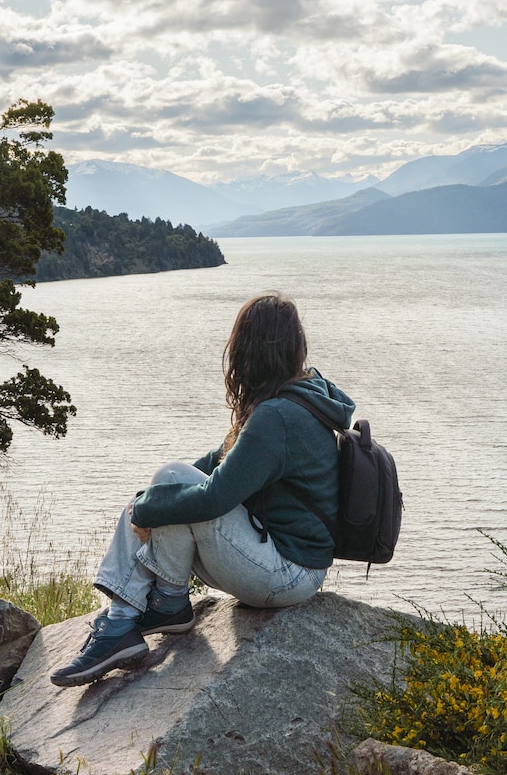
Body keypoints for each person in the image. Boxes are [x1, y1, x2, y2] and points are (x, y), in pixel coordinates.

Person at [50, 292, 346, 687]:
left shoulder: (278, 416)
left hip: (288, 575)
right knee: (169, 482)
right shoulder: (297, 398)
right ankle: (167, 605)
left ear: (249, 350)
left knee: (172, 491)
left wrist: (145, 510)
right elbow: (216, 462)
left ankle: (123, 621)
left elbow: (215, 498)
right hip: (291, 568)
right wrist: (150, 495)